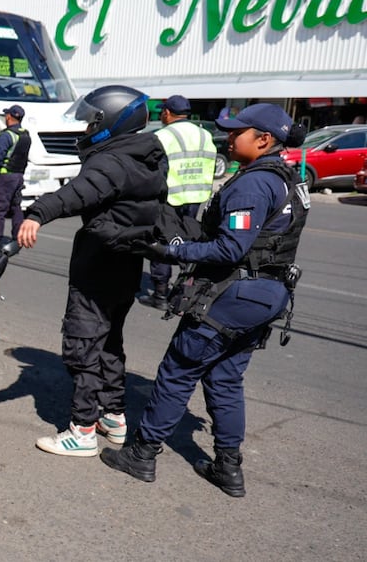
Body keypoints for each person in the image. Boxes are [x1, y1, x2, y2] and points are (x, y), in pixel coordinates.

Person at [101, 104, 309, 497]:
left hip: (234, 293)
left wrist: (174, 252)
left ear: (264, 140)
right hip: (268, 294)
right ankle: (228, 469)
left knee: (179, 370)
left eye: (238, 132)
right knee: (226, 378)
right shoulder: (286, 178)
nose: (228, 138)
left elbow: (231, 248)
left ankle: (142, 455)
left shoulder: (253, 183)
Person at [17, 85, 167, 456]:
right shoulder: (144, 156)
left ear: (110, 123)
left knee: (84, 345)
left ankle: (82, 430)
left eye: (90, 124)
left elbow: (78, 193)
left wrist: (38, 213)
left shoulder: (109, 162)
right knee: (110, 342)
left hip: (99, 265)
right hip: (127, 261)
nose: (85, 131)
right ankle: (114, 416)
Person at [138, 95, 216, 311]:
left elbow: (154, 171)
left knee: (163, 240)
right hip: (196, 195)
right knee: (188, 240)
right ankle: (184, 290)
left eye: (162, 111)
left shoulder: (162, 136)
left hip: (169, 197)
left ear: (167, 113)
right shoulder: (204, 134)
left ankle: (160, 294)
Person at [0, 105, 31, 244]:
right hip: (18, 176)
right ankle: (18, 237)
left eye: (6, 115)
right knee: (16, 207)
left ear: (9, 117)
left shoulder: (6, 136)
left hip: (4, 178)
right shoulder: (25, 135)